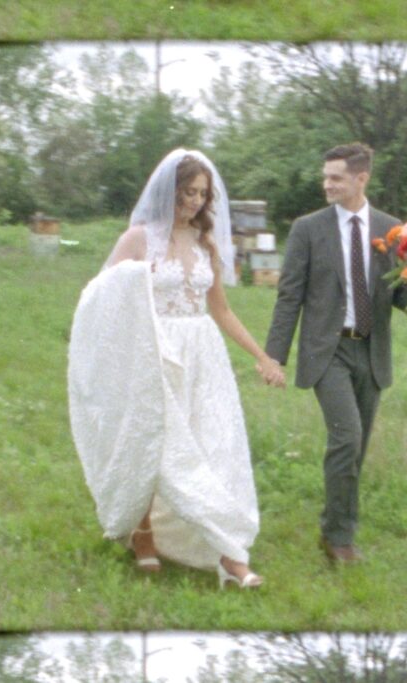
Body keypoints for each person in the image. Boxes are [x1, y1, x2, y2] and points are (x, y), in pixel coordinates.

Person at [67, 149, 285, 589]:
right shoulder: (138, 239)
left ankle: (228, 555)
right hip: (154, 350)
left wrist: (261, 356)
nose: (194, 201)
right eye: (188, 191)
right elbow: (102, 300)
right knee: (153, 444)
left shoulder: (205, 244)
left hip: (202, 353)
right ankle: (143, 534)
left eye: (202, 194)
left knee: (211, 447)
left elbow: (221, 310)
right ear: (170, 190)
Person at [264, 142, 407, 564]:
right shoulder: (308, 229)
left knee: (356, 449)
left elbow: (396, 292)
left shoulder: (393, 229)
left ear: (362, 179)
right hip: (328, 352)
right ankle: (340, 540)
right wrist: (274, 356)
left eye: (336, 177)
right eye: (325, 177)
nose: (327, 184)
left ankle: (333, 527)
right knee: (347, 437)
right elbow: (290, 297)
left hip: (372, 352)